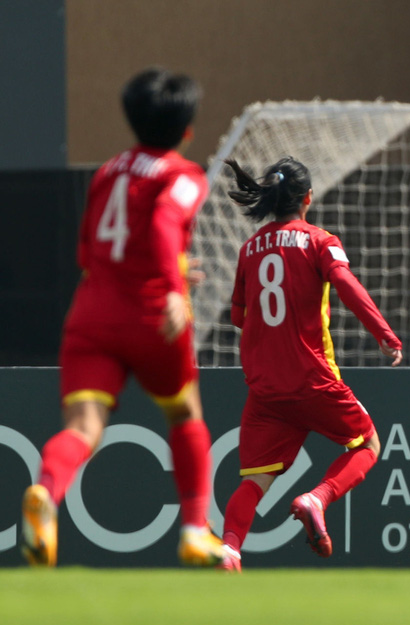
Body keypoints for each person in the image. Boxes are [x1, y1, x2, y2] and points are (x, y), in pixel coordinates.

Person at [20, 67, 224, 567]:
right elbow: (161, 224)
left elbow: (89, 252)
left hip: (91, 312)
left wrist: (161, 269)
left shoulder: (108, 171)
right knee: (185, 414)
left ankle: (47, 491)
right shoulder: (184, 175)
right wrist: (174, 286)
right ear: (187, 131)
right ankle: (196, 531)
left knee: (84, 424)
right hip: (153, 315)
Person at [216, 156, 402, 572]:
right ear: (308, 199)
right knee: (368, 443)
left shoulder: (249, 250)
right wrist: (385, 334)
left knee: (255, 481)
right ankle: (316, 498)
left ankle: (230, 550)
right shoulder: (319, 240)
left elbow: (238, 318)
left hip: (265, 387)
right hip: (311, 377)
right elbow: (347, 285)